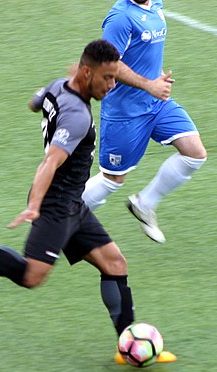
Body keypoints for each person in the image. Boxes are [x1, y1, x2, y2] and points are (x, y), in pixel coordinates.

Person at [0, 39, 175, 364]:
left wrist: (48, 101)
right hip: (55, 206)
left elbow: (35, 102)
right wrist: (35, 205)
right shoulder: (77, 116)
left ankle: (126, 342)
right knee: (31, 277)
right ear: (87, 73)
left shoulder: (58, 86)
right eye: (107, 77)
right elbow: (50, 162)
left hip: (73, 203)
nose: (112, 84)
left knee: (115, 264)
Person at [82, 0, 207, 243]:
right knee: (112, 179)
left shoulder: (156, 5)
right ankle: (60, 218)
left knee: (194, 153)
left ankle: (144, 204)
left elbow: (143, 51)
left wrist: (154, 76)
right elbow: (108, 64)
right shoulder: (120, 17)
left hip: (156, 103)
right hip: (125, 112)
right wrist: (148, 84)